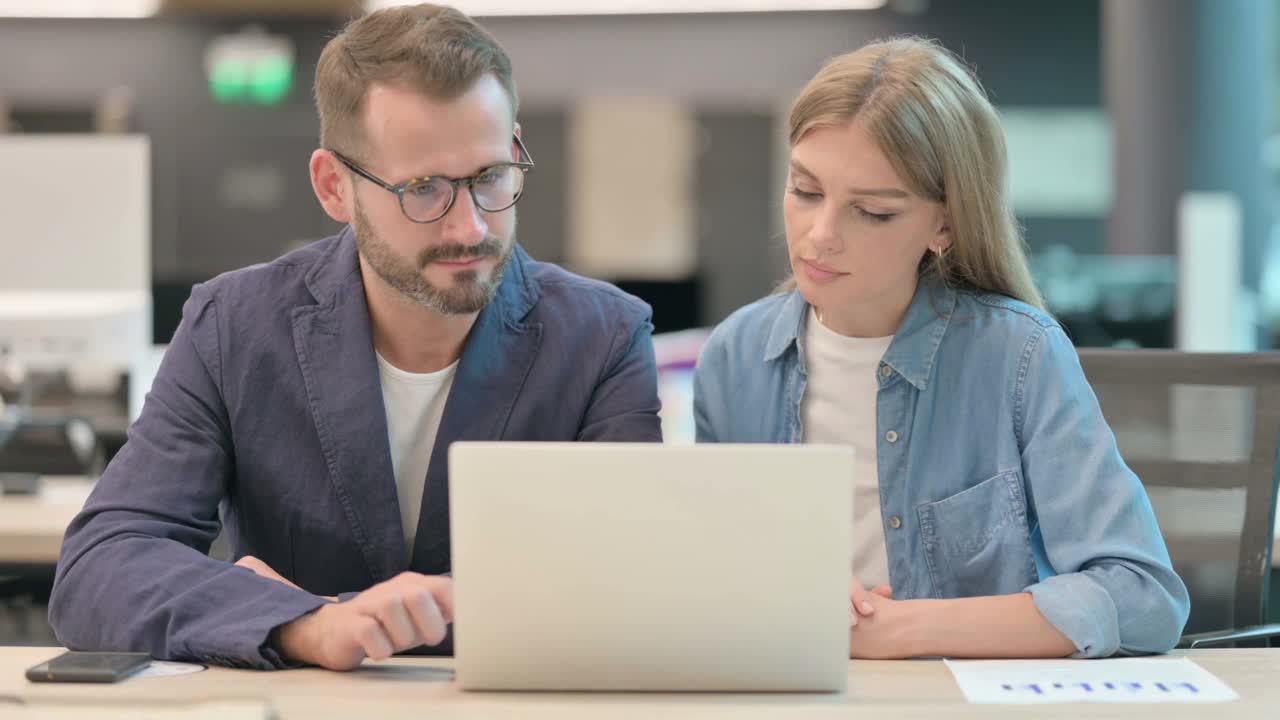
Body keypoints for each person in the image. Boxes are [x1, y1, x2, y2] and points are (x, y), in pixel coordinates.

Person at [50, 3, 662, 671]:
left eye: (489, 178)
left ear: (515, 150)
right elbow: (100, 566)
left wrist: (330, 614)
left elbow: (631, 595)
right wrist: (306, 626)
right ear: (333, 186)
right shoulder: (234, 326)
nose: (469, 227)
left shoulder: (603, 337)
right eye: (424, 190)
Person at [693, 37, 1188, 659]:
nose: (821, 236)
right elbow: (713, 577)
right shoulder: (735, 358)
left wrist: (900, 630)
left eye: (871, 212)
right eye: (806, 191)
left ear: (945, 224)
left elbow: (1142, 596)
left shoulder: (1020, 356)